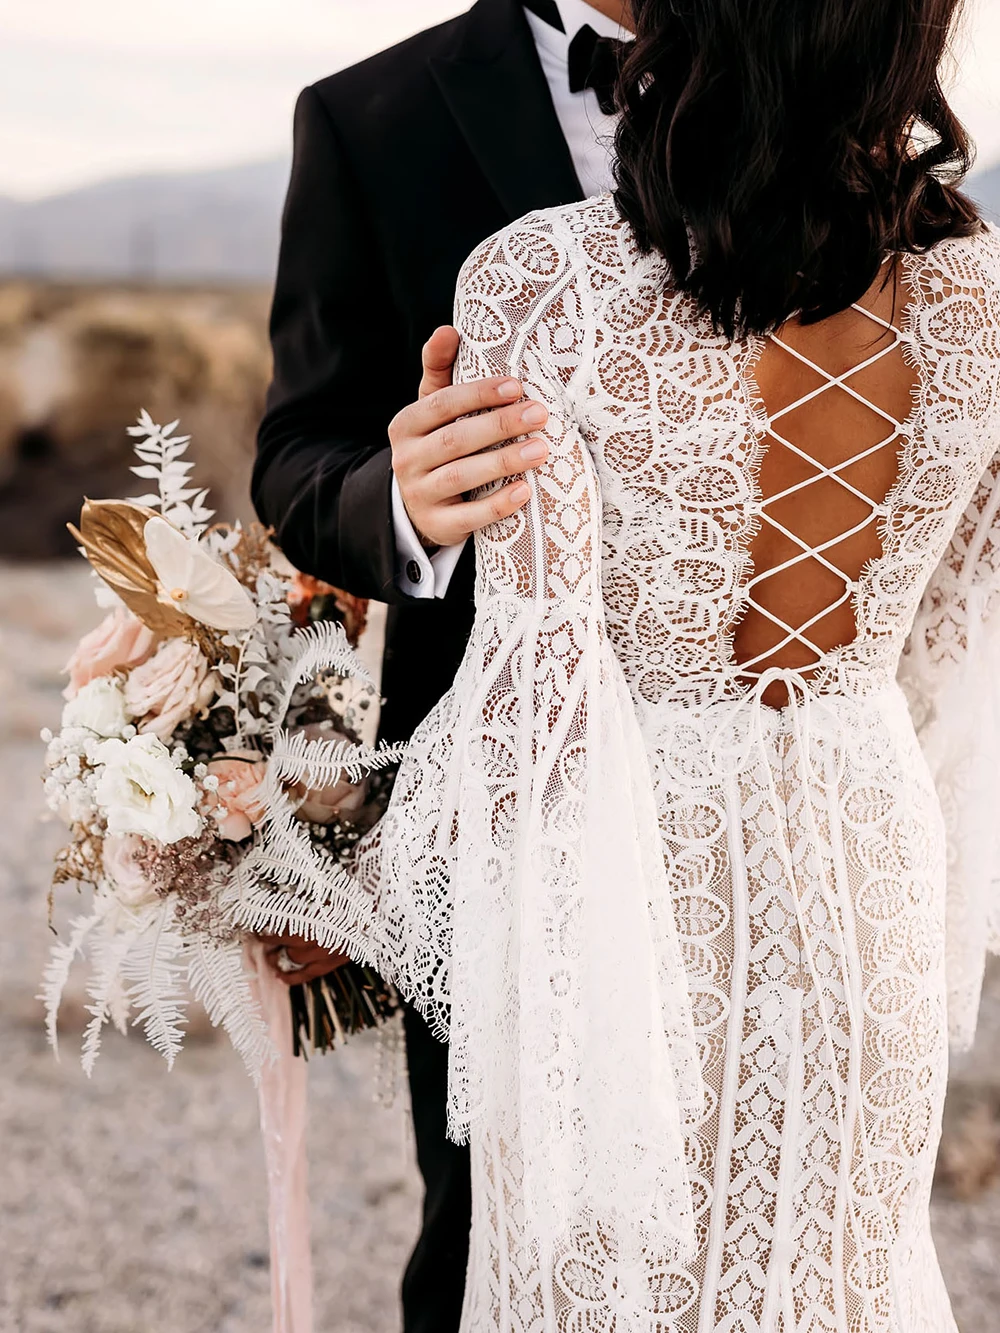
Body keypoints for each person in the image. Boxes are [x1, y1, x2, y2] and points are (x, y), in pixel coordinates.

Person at [309, 0, 1000, 1328]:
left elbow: (533, 681)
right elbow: (955, 652)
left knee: (603, 1273)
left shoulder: (538, 282)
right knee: (836, 1267)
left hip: (618, 849)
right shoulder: (977, 296)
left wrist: (342, 875)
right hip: (869, 836)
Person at [252, 3, 634, 1329]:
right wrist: (400, 496)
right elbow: (298, 455)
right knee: (491, 1226)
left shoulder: (805, 63)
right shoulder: (371, 117)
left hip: (767, 748)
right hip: (497, 784)